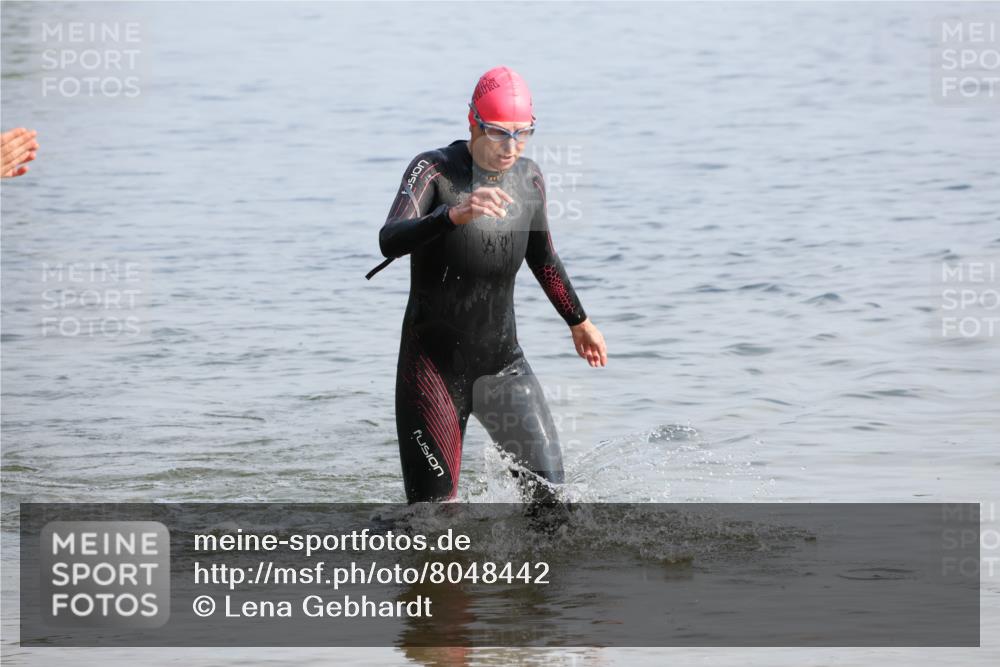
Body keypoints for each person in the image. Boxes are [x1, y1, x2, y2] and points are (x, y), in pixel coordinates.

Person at [370, 66, 607, 504]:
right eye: (498, 133)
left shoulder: (529, 179)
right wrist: (452, 215)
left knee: (553, 506)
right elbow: (390, 238)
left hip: (503, 367)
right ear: (472, 121)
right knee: (434, 526)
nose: (510, 147)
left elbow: (544, 258)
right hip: (433, 372)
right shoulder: (434, 171)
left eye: (523, 134)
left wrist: (579, 321)